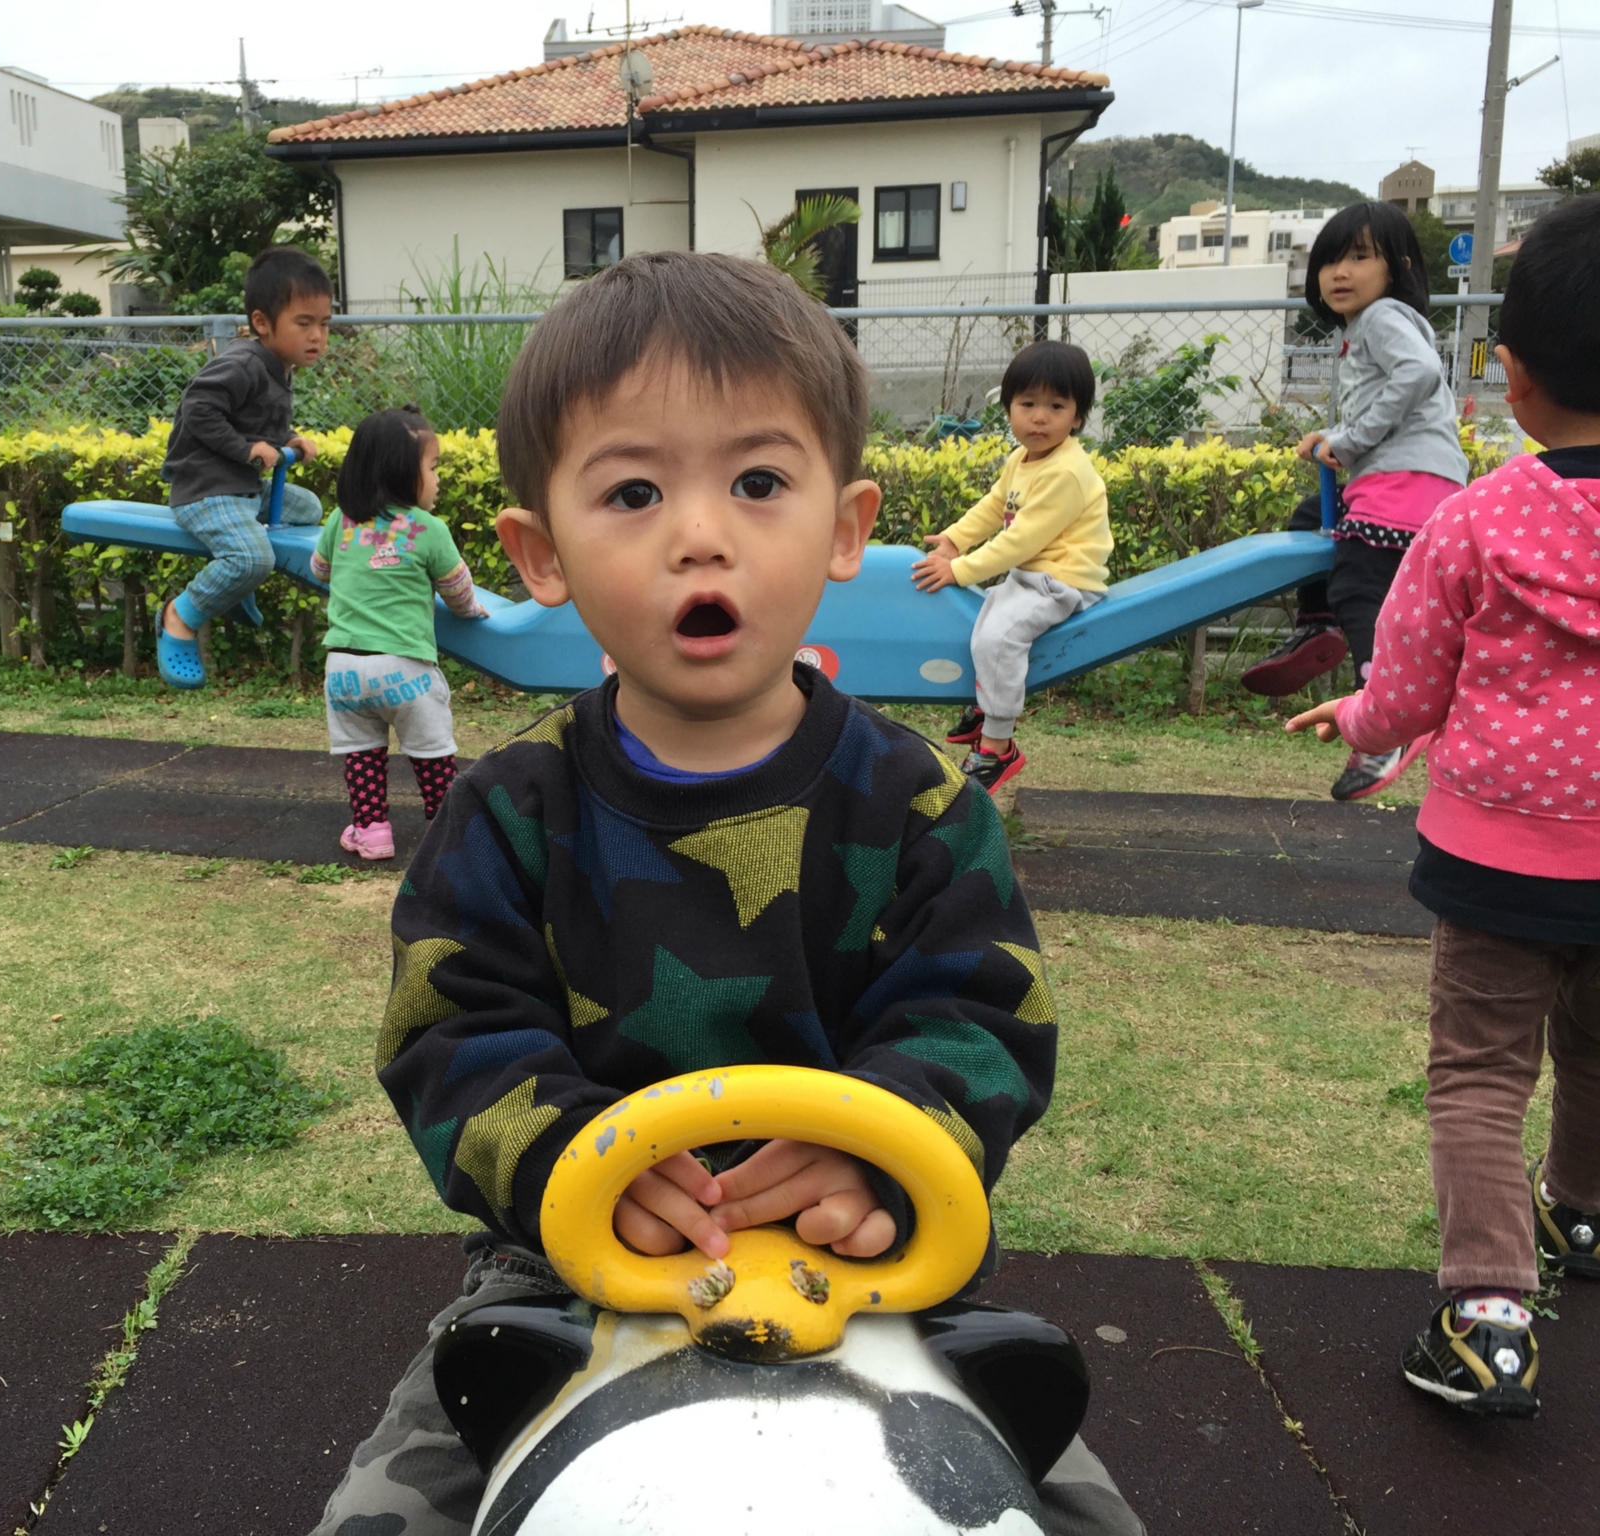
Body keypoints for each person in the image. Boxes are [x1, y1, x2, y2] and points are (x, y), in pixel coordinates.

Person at [309, 252, 1142, 1536]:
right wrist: (560, 1164)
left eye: (758, 483)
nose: (700, 532)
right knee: (384, 1511)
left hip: (874, 1249)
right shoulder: (510, 812)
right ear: (539, 553)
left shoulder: (918, 803)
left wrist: (886, 1138)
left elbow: (982, 1014)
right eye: (633, 491)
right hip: (564, 1263)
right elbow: (446, 1031)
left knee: (1071, 1512)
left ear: (846, 530)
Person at [1286, 196, 1600, 1419]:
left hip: (1494, 860)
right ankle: (1579, 1214)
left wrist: (1355, 722)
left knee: (1477, 1072)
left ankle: (1485, 1313)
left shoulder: (1476, 519)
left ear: (1509, 378)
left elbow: (1408, 684)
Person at [1244, 201, 1471, 802]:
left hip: (1406, 479)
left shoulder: (1382, 318)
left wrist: (1347, 439)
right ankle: (1317, 626)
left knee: (1361, 590)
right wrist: (1338, 441)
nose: (1340, 272)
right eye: (1329, 261)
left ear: (1395, 267)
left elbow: (1419, 375)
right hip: (1404, 478)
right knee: (1312, 525)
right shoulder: (1365, 326)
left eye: (1359, 257)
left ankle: (1385, 723)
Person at [911, 340, 1112, 792]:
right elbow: (992, 507)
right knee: (984, 622)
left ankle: (998, 745)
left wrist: (959, 568)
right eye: (1027, 404)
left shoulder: (1065, 472)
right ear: (1008, 408)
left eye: (1056, 406)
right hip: (1032, 578)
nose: (1039, 417)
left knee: (1001, 637)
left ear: (1077, 417)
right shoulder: (1021, 460)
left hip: (1065, 582)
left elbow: (1020, 540)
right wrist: (955, 539)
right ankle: (987, 704)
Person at [310, 407, 490, 861]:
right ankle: (445, 830)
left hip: (344, 668)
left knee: (363, 755)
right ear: (401, 473)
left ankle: (372, 832)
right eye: (432, 469)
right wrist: (473, 611)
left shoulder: (340, 521)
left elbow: (319, 569)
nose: (437, 479)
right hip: (405, 668)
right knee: (432, 755)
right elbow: (457, 589)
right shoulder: (427, 529)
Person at [154, 245, 333, 689]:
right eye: (304, 323)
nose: (317, 337)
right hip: (207, 488)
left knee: (307, 509)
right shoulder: (244, 363)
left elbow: (254, 421)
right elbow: (199, 408)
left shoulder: (279, 365)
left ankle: (234, 584)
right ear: (261, 323)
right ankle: (180, 615)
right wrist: (245, 448)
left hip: (241, 486)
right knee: (254, 555)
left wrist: (285, 441)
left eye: (325, 324)